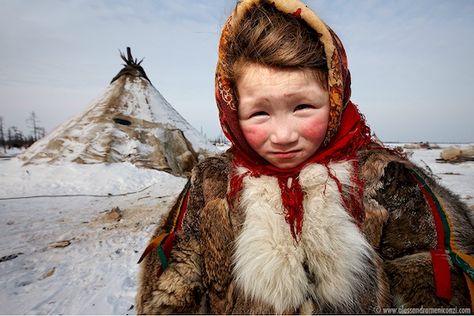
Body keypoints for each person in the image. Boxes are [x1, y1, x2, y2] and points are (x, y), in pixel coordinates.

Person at [136, 0, 474, 314]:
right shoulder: (211, 184)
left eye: (303, 107)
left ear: (334, 97)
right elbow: (167, 296)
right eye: (259, 114)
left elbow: (436, 294)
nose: (283, 136)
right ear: (233, 112)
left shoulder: (389, 181)